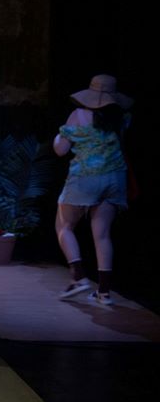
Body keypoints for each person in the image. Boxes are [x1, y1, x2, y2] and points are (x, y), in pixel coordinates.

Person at [54, 74, 133, 306]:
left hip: (86, 178)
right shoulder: (123, 117)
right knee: (102, 234)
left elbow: (60, 149)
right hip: (115, 178)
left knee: (64, 226)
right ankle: (104, 293)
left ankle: (79, 277)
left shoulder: (79, 115)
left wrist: (60, 135)